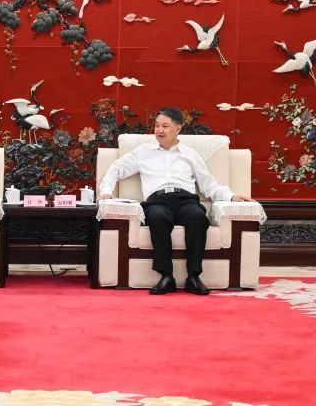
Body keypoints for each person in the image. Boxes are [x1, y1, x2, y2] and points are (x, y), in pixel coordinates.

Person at [98, 106, 254, 295]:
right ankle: (166, 276)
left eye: (165, 126)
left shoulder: (190, 154)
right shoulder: (143, 152)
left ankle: (194, 277)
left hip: (185, 200)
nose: (159, 130)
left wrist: (231, 196)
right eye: (157, 126)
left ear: (178, 128)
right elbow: (116, 168)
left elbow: (208, 184)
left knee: (197, 217)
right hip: (157, 201)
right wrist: (106, 191)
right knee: (157, 217)